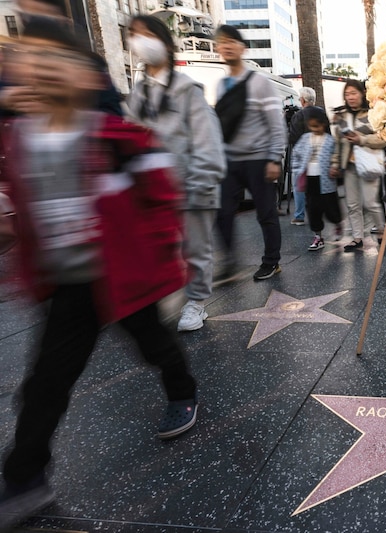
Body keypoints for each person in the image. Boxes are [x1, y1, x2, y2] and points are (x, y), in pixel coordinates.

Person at [0, 19, 198, 529]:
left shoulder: (114, 135)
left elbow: (163, 197)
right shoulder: (18, 138)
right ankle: (24, 479)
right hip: (69, 286)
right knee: (46, 382)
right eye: (29, 58)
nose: (40, 69)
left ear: (87, 76)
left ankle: (182, 390)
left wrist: (163, 264)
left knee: (154, 344)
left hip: (124, 279)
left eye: (54, 59)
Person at [126, 15, 226, 332]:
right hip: (151, 193)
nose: (139, 41)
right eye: (133, 35)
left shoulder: (188, 91)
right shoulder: (137, 94)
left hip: (190, 186)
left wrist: (199, 184)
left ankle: (196, 303)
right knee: (153, 251)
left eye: (146, 35)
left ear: (165, 44)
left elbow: (207, 144)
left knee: (196, 249)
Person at [214, 25, 287, 281]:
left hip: (258, 158)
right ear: (217, 48)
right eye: (221, 42)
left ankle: (271, 261)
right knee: (222, 212)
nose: (226, 46)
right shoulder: (222, 85)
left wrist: (273, 157)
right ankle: (229, 262)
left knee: (265, 212)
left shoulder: (259, 82)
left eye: (232, 41)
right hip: (229, 160)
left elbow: (275, 122)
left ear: (242, 47)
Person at [330, 79, 386, 252]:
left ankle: (382, 232)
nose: (350, 97)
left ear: (362, 93)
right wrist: (335, 163)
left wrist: (361, 139)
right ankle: (357, 238)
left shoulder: (373, 114)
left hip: (368, 164)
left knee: (371, 203)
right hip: (349, 167)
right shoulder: (341, 117)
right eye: (347, 94)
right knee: (352, 205)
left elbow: (383, 139)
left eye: (354, 93)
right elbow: (338, 143)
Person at [290, 106, 341, 251]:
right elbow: (296, 154)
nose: (314, 129)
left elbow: (336, 156)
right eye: (311, 126)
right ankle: (318, 236)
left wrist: (335, 166)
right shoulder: (305, 139)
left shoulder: (330, 140)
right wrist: (297, 170)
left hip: (326, 180)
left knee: (330, 207)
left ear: (323, 124)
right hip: (310, 179)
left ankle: (337, 222)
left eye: (317, 126)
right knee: (313, 208)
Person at [287, 86, 319, 226]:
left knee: (299, 186)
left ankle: (299, 215)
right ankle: (317, 214)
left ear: (302, 100)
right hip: (318, 155)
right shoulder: (321, 113)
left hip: (301, 156)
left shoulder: (298, 116)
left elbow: (293, 137)